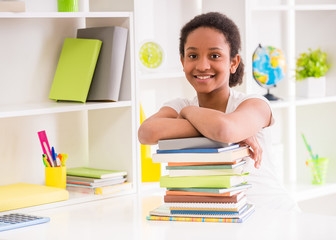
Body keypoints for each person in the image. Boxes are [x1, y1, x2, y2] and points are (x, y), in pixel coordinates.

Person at [138, 12, 299, 211]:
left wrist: (189, 113)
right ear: (182, 61)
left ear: (233, 62)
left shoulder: (254, 104)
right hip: (219, 218)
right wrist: (218, 129)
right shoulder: (178, 105)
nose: (202, 65)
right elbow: (147, 133)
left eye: (215, 56)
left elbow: (224, 130)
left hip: (272, 216)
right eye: (193, 55)